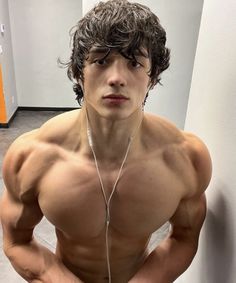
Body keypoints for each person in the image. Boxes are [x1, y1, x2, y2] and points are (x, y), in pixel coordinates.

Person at [0, 0, 212, 282]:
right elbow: (17, 241)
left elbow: (185, 238)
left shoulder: (186, 158)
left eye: (135, 63)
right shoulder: (31, 156)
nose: (116, 78)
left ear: (153, 76)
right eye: (101, 61)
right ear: (78, 71)